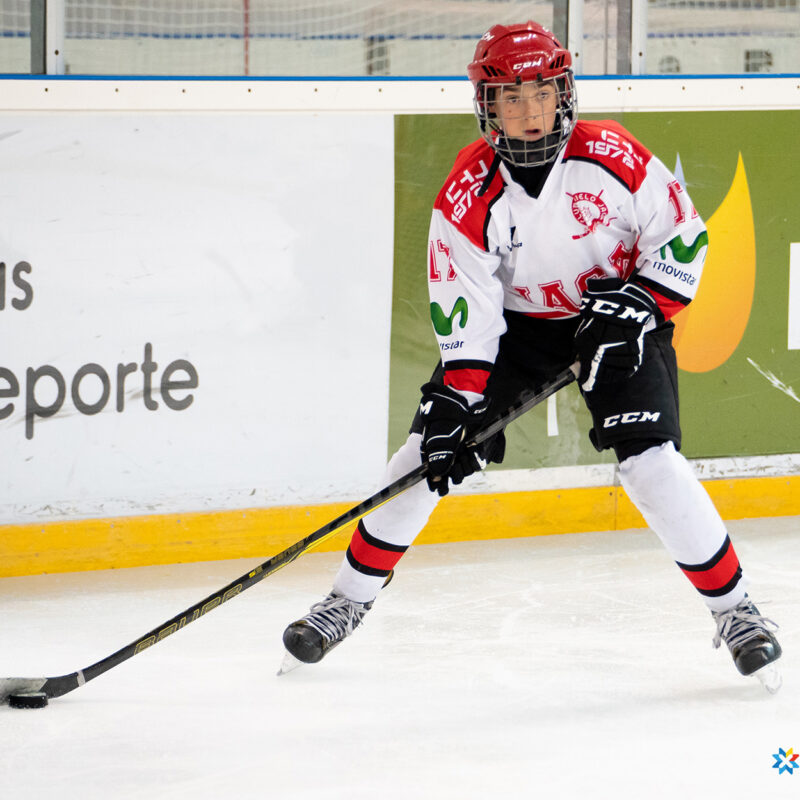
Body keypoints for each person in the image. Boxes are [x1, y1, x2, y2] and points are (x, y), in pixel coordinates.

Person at [281, 21, 781, 687]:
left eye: (539, 93)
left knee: (650, 462)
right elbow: (469, 310)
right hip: (517, 331)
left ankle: (737, 610)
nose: (526, 110)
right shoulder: (468, 193)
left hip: (619, 314)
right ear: (487, 107)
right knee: (425, 453)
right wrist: (459, 402)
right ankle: (345, 602)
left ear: (563, 93)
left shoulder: (614, 156)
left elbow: (683, 238)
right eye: (508, 97)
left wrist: (644, 305)